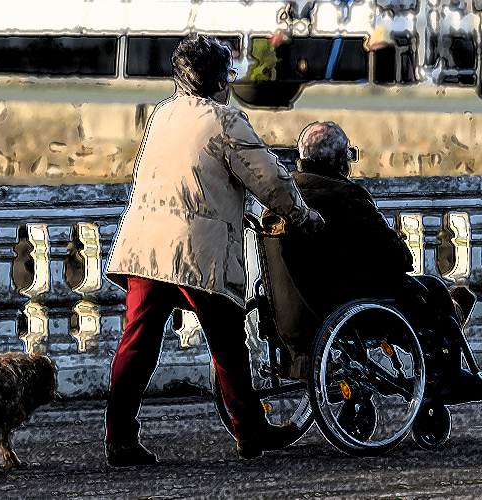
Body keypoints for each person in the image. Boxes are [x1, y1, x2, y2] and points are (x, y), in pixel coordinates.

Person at [104, 35, 323, 467]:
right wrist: (302, 217)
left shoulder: (163, 114)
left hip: (147, 243)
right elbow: (271, 180)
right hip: (197, 249)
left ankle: (119, 439)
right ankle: (249, 432)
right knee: (227, 346)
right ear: (221, 79)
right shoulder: (225, 120)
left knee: (137, 344)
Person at [263, 121, 482, 403]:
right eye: (349, 155)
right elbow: (399, 258)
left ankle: (450, 316)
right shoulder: (345, 196)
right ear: (341, 160)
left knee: (428, 293)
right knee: (434, 290)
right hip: (347, 309)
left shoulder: (281, 200)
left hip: (299, 310)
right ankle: (444, 376)